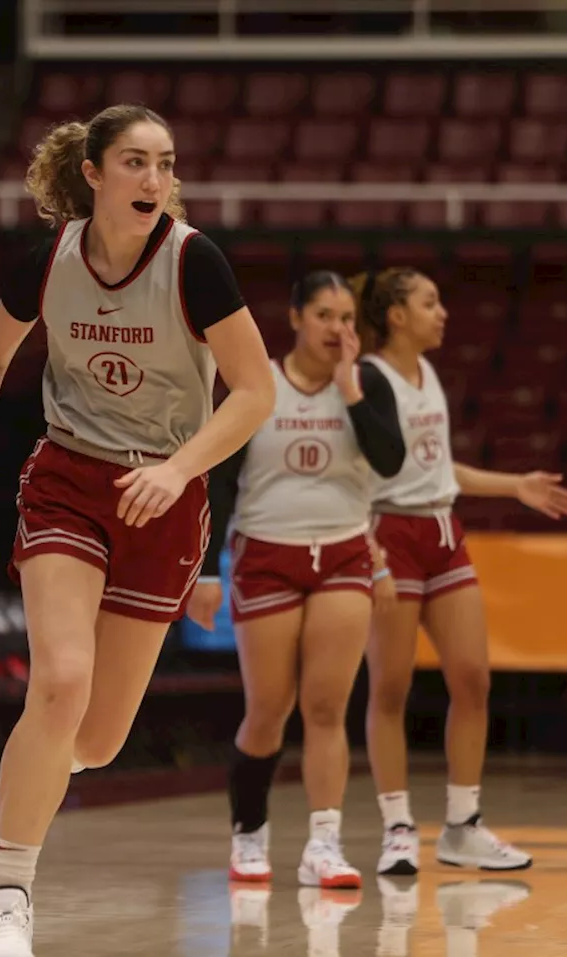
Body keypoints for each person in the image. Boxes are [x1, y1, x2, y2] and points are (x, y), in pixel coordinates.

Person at [0, 103, 275, 957]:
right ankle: (8, 895)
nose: (153, 179)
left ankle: (44, 768)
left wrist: (178, 466)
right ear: (93, 172)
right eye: (134, 163)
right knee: (59, 682)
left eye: (163, 163)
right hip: (69, 480)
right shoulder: (48, 259)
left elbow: (257, 392)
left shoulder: (196, 263)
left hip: (165, 489)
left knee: (97, 736)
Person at [351, 268, 567, 876]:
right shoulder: (368, 379)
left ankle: (462, 826)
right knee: (390, 689)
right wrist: (367, 552)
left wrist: (517, 487)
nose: (443, 312)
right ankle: (398, 828)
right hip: (390, 533)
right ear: (396, 315)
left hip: (444, 533)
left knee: (473, 680)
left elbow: (441, 469)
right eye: (430, 301)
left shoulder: (428, 376)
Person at [199, 271, 405, 890]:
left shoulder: (367, 382)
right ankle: (249, 833)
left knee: (325, 706)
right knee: (268, 710)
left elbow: (391, 460)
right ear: (295, 318)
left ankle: (324, 844)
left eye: (346, 318)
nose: (338, 329)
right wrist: (206, 569)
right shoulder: (256, 382)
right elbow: (219, 479)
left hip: (342, 555)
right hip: (265, 554)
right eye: (324, 316)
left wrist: (349, 392)